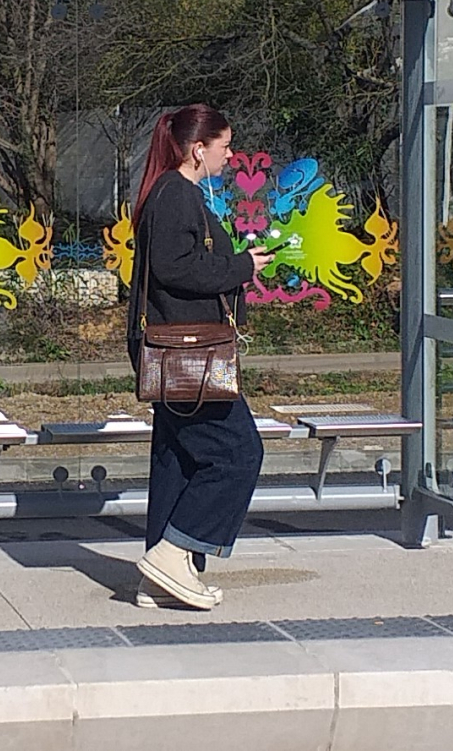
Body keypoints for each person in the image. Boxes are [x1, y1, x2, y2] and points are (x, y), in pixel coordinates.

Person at [127, 104, 272, 609]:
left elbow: (181, 264)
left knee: (180, 459)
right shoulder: (175, 194)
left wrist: (236, 266)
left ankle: (162, 576)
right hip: (189, 357)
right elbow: (176, 268)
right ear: (197, 149)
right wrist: (240, 267)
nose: (230, 156)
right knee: (239, 452)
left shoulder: (172, 192)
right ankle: (173, 553)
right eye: (224, 146)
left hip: (180, 354)